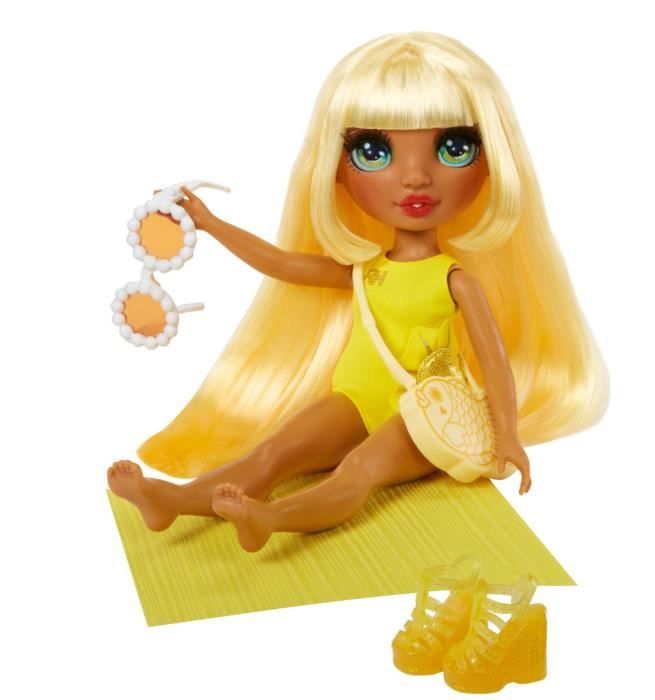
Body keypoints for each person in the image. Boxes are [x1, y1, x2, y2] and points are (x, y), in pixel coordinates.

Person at [107, 32, 607, 552]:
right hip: (354, 401)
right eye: (374, 152)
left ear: (489, 166)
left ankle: (270, 518)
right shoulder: (365, 271)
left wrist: (508, 435)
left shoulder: (455, 279)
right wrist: (210, 223)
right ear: (338, 172)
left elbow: (494, 362)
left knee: (357, 472)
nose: (415, 177)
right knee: (271, 455)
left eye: (454, 148)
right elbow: (279, 263)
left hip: (419, 413)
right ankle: (171, 501)